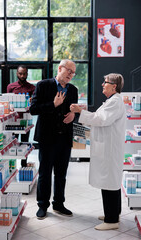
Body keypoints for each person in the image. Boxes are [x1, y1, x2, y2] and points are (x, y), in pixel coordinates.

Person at [70, 73, 126, 230]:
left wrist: (80, 112)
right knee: (110, 182)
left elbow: (101, 120)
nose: (102, 84)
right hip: (108, 148)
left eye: (105, 82)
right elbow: (100, 117)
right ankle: (114, 213)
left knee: (109, 183)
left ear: (114, 86)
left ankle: (111, 220)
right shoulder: (112, 101)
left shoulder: (115, 101)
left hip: (109, 150)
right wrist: (84, 112)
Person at [29, 59, 78, 219]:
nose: (71, 74)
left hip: (64, 139)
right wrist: (53, 104)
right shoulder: (43, 85)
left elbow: (75, 110)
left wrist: (74, 115)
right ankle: (42, 205)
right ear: (60, 68)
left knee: (61, 174)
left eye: (73, 72)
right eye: (69, 71)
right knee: (44, 173)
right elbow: (33, 109)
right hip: (47, 138)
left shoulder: (73, 90)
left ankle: (59, 204)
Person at [7, 65, 35, 167]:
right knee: (12, 143)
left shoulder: (32, 88)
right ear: (17, 73)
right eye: (20, 73)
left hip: (26, 121)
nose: (22, 75)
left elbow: (34, 104)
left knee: (24, 143)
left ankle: (24, 165)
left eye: (24, 73)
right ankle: (11, 166)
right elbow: (7, 102)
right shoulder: (11, 87)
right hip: (13, 120)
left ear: (27, 74)